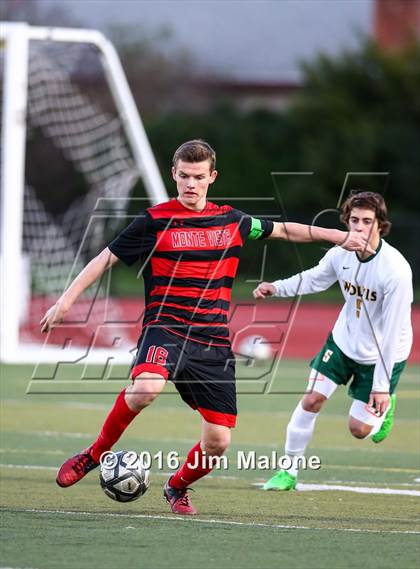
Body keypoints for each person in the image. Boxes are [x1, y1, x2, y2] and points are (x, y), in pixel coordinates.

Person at [41, 140, 372, 515]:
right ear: (174, 175)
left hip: (212, 340)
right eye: (184, 176)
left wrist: (340, 236)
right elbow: (104, 259)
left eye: (199, 177)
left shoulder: (232, 221)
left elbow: (283, 231)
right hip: (165, 328)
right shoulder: (154, 220)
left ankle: (176, 487)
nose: (191, 184)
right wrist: (65, 301)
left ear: (212, 177)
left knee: (218, 442)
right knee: (146, 388)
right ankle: (94, 454)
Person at [253, 190, 413, 491]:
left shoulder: (396, 271)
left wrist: (381, 387)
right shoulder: (341, 254)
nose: (360, 228)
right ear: (346, 222)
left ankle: (388, 403)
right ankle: (288, 471)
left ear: (380, 224)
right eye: (354, 220)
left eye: (367, 221)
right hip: (342, 343)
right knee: (311, 399)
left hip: (383, 355)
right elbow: (314, 278)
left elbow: (391, 335)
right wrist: (276, 287)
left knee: (359, 430)